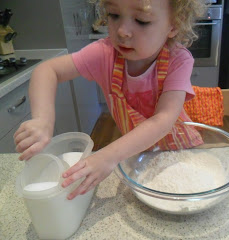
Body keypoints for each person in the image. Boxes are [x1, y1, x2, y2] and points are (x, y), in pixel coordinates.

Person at [14, 0, 206, 200]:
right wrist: (42, 120)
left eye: (141, 20)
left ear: (174, 24)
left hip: (177, 152)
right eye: (114, 15)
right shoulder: (104, 55)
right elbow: (47, 70)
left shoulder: (178, 60)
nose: (122, 31)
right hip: (133, 154)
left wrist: (108, 155)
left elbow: (163, 120)